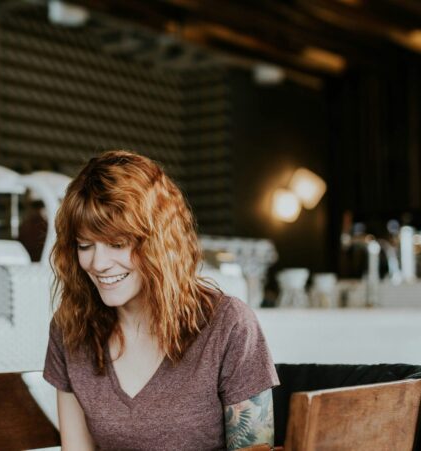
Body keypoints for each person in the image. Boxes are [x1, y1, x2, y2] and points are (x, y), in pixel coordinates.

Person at [43, 150, 279, 450]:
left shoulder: (228, 325)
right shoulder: (70, 329)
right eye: (85, 245)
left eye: (117, 244)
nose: (98, 263)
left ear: (158, 241)